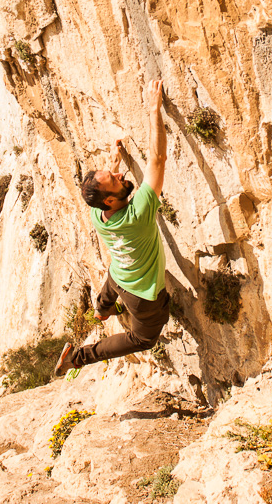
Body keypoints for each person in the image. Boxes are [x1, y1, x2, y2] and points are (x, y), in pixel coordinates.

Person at [54, 79, 170, 379]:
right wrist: (153, 110)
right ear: (109, 199)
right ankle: (78, 358)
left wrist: (113, 160)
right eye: (116, 180)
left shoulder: (99, 213)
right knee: (142, 339)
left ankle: (102, 309)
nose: (120, 176)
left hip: (118, 276)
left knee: (114, 276)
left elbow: (106, 186)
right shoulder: (139, 213)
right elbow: (158, 159)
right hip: (141, 295)